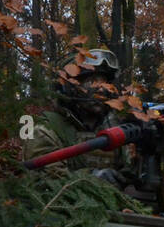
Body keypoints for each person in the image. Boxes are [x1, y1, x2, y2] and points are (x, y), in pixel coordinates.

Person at [23, 48, 133, 184]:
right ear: (68, 87)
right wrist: (92, 179)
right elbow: (45, 183)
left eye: (105, 82)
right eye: (91, 81)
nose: (101, 88)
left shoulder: (113, 126)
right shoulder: (46, 129)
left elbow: (127, 173)